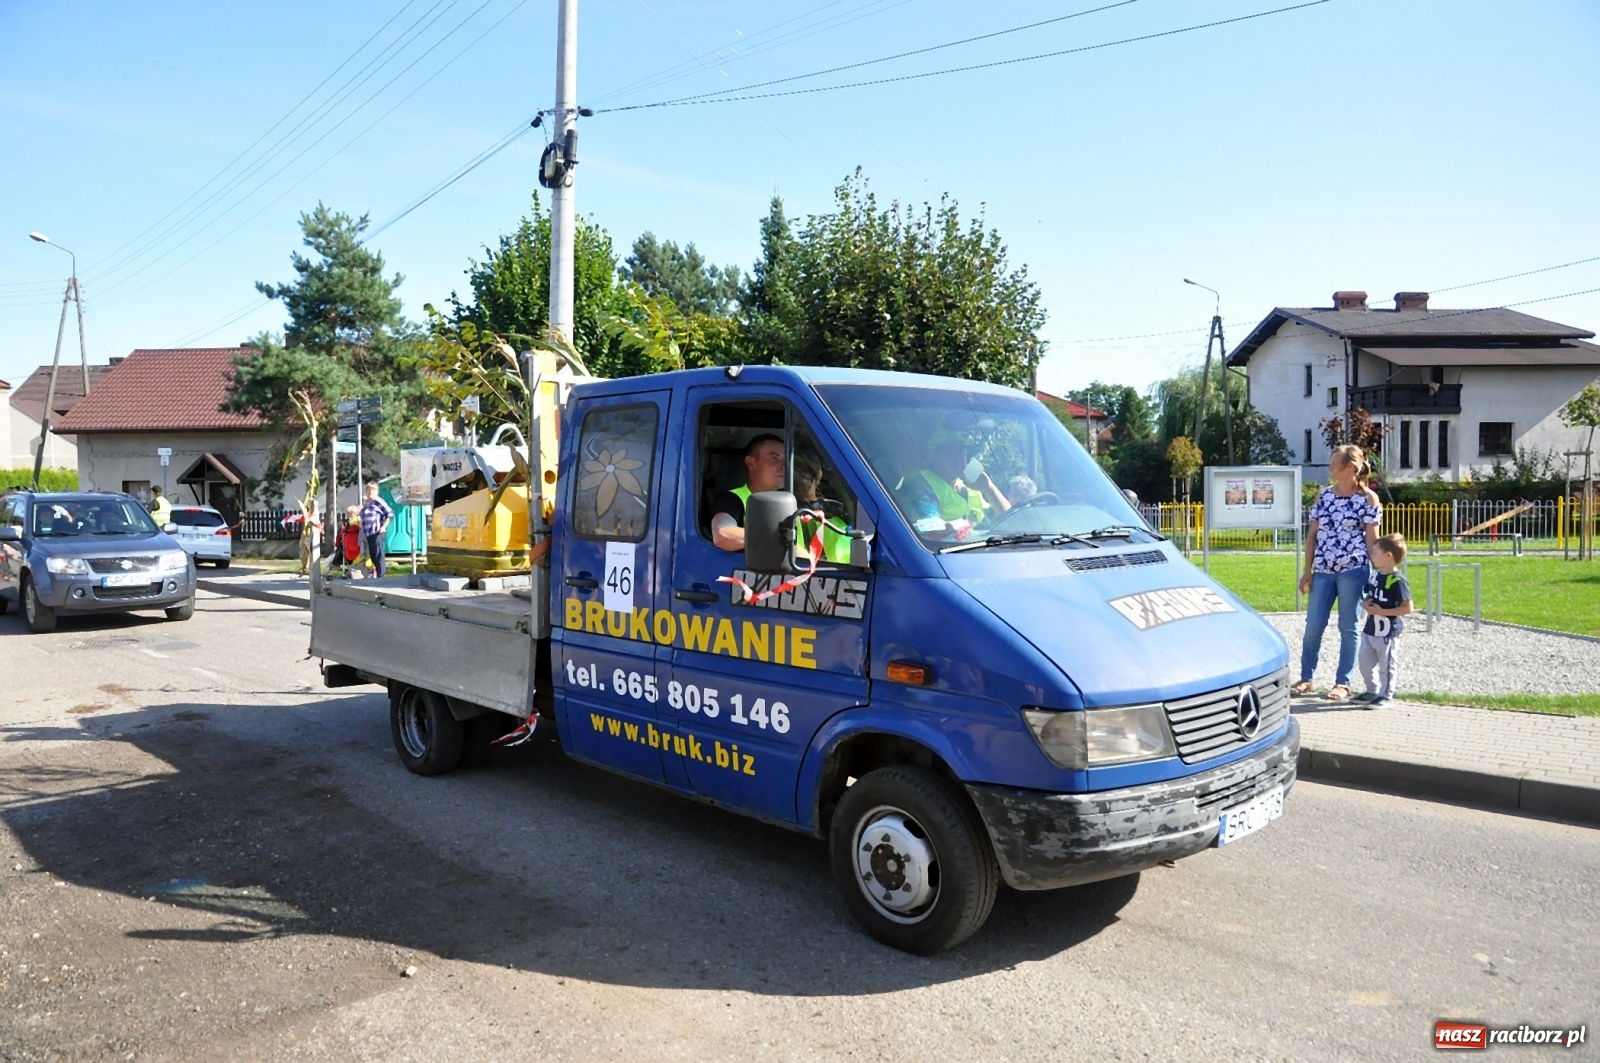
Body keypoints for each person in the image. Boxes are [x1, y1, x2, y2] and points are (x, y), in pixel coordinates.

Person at [1293, 444, 1382, 701]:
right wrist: (1307, 571)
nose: (1330, 468)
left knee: (1348, 626)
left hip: (1353, 570)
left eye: (1334, 464)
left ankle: (1343, 683)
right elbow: (1312, 536)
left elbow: (1372, 538)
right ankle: (1306, 679)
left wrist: (1378, 573)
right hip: (1323, 570)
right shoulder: (1324, 496)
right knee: (1313, 625)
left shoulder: (1368, 499)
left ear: (1349, 468)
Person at [910, 430, 1011, 528]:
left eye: (962, 451)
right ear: (932, 455)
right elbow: (931, 533)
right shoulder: (921, 485)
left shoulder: (970, 486)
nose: (960, 456)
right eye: (952, 451)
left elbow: (1010, 521)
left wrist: (989, 489)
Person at [1357, 533, 1412, 709]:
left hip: (1388, 632)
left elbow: (1407, 608)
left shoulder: (1398, 581)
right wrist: (1365, 604)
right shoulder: (1374, 576)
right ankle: (1371, 691)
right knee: (1364, 662)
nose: (1371, 556)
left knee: (1386, 666)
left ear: (1388, 556)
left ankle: (1386, 695)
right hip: (1370, 629)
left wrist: (1383, 612)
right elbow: (1368, 595)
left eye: (1375, 552)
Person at [710, 434, 787, 552]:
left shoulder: (791, 500)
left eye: (786, 459)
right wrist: (784, 543)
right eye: (774, 458)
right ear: (751, 463)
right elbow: (723, 534)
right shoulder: (732, 499)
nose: (783, 465)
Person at [793, 450, 852, 564]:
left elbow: (853, 563)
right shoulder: (777, 510)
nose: (800, 475)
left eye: (806, 470)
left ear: (819, 474)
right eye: (795, 469)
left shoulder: (837, 513)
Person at [359, 481, 393, 578]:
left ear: (377, 492)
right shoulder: (367, 504)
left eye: (373, 491)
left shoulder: (379, 501)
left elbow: (389, 514)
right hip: (368, 533)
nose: (370, 493)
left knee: (378, 555)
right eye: (369, 491)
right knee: (373, 555)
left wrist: (383, 527)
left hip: (376, 532)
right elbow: (362, 516)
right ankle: (378, 575)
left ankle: (381, 576)